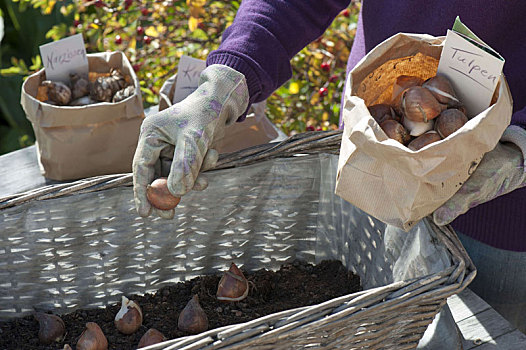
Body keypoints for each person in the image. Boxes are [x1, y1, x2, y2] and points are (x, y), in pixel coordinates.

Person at [132, 0, 526, 345]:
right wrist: (226, 79)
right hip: (374, 164)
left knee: (491, 332)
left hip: (501, 213)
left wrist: (520, 145)